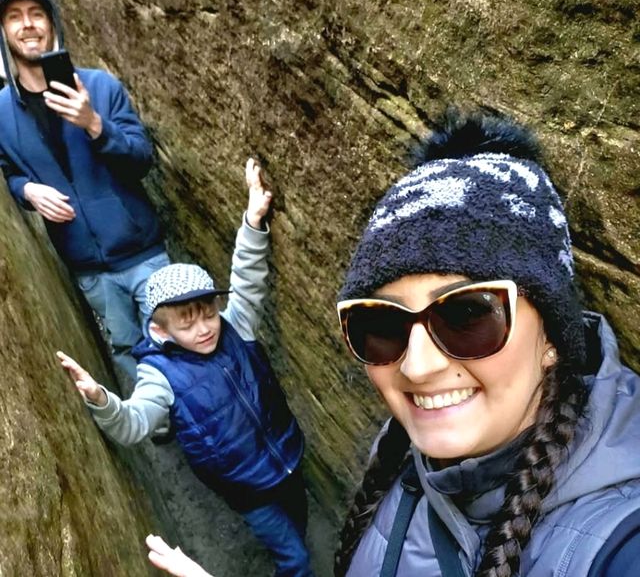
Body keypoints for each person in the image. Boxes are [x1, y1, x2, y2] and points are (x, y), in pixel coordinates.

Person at [333, 112, 640, 576]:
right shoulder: (403, 446)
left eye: (466, 313)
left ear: (553, 335)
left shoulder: (620, 546)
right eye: (381, 324)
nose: (417, 367)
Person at [59, 159, 313, 577]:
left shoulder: (235, 326)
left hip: (286, 456)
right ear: (160, 329)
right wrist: (102, 399)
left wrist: (252, 219)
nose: (204, 329)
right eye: (187, 322)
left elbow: (247, 277)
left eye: (207, 314)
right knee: (296, 560)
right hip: (248, 489)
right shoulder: (160, 375)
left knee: (297, 529)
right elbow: (133, 423)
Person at [0, 0, 168, 379]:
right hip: (89, 268)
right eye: (14, 17)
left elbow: (141, 159)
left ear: (52, 23)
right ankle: (158, 433)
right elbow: (8, 172)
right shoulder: (1, 112)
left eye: (37, 14)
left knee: (176, 344)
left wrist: (95, 124)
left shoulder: (98, 85)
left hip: (144, 253)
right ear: (3, 32)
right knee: (128, 353)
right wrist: (28, 191)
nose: (28, 25)